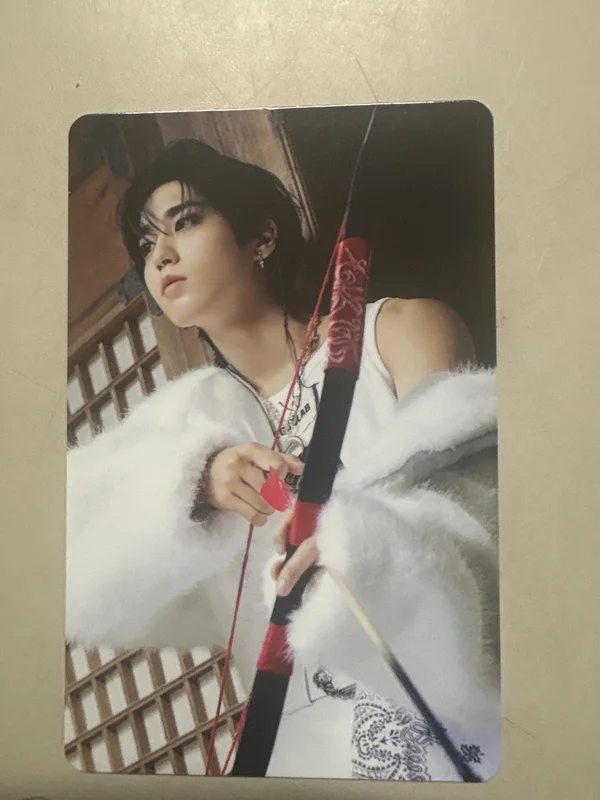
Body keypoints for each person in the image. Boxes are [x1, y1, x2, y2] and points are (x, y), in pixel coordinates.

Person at [66, 138, 500, 781]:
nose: (160, 255)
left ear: (261, 238)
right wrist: (194, 480)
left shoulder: (396, 330)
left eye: (186, 221)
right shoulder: (191, 425)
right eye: (146, 243)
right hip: (307, 749)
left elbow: (468, 495)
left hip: (440, 708)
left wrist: (359, 548)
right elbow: (73, 562)